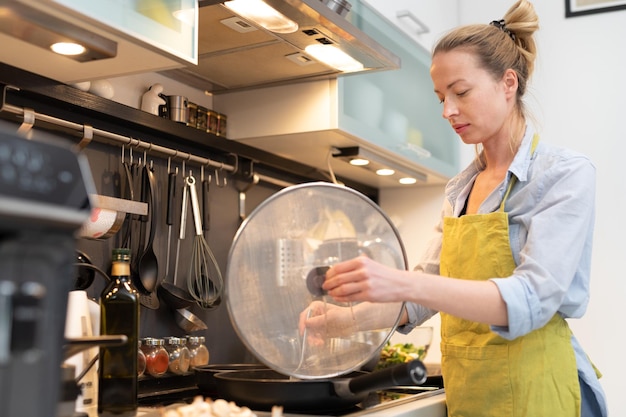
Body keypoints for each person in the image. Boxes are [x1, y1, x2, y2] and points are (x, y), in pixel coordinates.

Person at [304, 1, 608, 416]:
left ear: (508, 83)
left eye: (461, 92)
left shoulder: (564, 174)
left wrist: (401, 282)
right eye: (441, 97)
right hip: (472, 395)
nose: (448, 110)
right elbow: (423, 296)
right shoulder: (459, 190)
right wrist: (340, 321)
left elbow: (531, 298)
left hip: (540, 393)